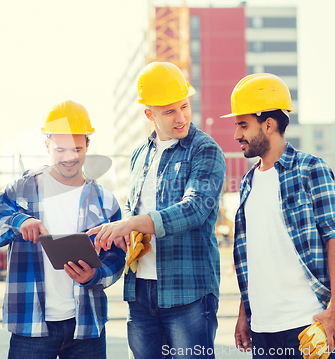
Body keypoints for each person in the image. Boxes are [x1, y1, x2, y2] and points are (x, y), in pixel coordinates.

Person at [221, 73, 335, 358]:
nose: (237, 135)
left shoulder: (311, 168)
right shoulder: (248, 182)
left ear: (269, 124)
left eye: (243, 125)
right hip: (262, 328)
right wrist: (244, 314)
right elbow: (254, 255)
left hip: (308, 323)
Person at [88, 62, 226, 358]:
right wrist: (118, 231)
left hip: (188, 292)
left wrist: (131, 223)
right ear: (149, 114)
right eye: (169, 112)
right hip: (140, 292)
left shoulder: (204, 149)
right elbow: (131, 210)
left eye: (184, 106)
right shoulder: (140, 155)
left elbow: (195, 209)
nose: (181, 118)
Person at [0, 100, 125, 359]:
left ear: (88, 145)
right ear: (47, 145)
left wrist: (95, 275)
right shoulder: (20, 190)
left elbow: (117, 259)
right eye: (61, 149)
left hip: (87, 327)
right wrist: (18, 222)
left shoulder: (105, 201)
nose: (69, 157)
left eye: (77, 149)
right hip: (31, 326)